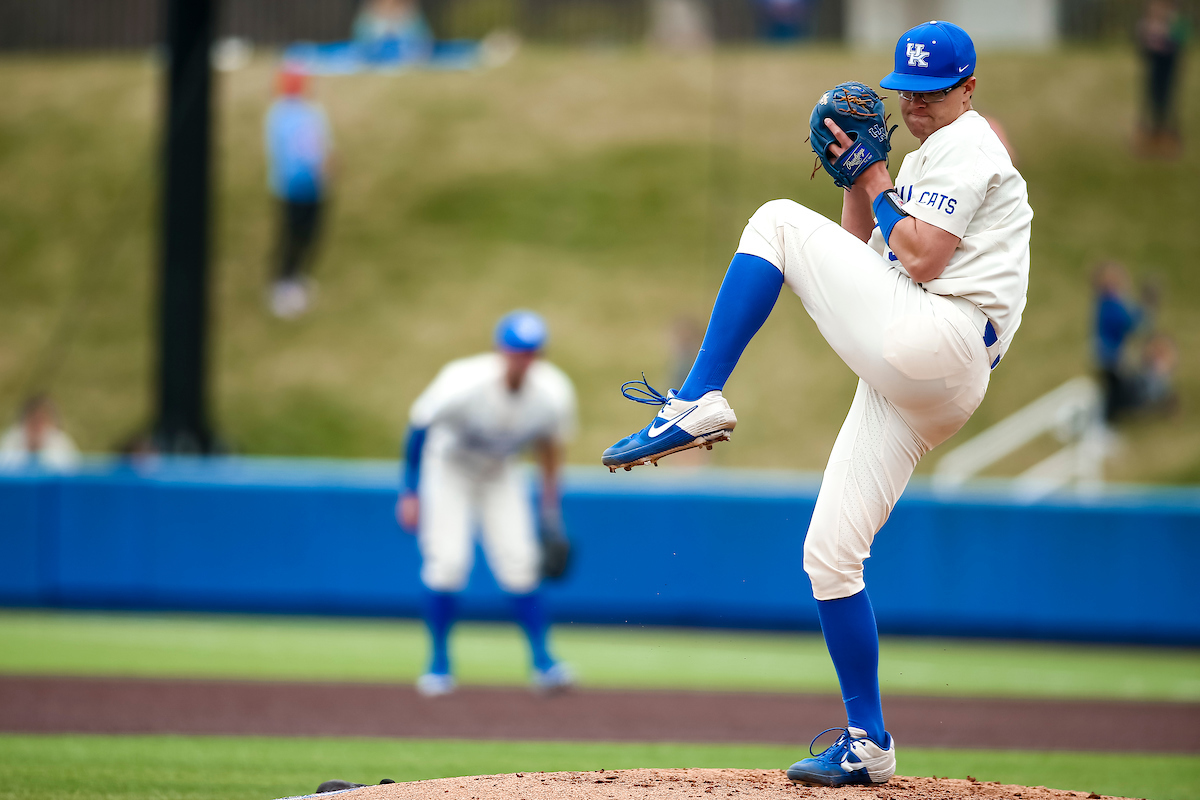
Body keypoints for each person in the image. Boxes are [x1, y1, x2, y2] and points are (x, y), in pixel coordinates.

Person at [602, 21, 1031, 787]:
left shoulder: (969, 146)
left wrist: (873, 178)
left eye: (935, 92)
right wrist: (855, 183)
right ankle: (868, 741)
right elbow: (866, 257)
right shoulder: (929, 155)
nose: (919, 105)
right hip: (924, 376)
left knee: (772, 220)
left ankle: (696, 398)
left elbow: (926, 257)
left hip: (946, 340)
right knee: (829, 556)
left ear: (968, 88)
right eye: (911, 92)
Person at [397, 310, 578, 697]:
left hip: (499, 470)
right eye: (517, 351)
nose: (523, 359)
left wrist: (550, 507)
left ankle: (543, 663)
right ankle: (438, 665)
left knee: (520, 562)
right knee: (447, 563)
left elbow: (550, 447)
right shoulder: (463, 381)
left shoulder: (553, 392)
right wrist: (410, 490)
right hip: (448, 466)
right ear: (501, 350)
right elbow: (418, 427)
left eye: (531, 352)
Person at [264, 67, 333, 319]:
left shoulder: (313, 112)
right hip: (291, 188)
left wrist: (328, 165)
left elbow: (323, 145)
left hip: (317, 187)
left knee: (310, 236)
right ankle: (282, 284)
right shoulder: (280, 113)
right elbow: (288, 151)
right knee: (290, 236)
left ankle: (298, 278)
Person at [1137, 0, 1189, 157]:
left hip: (1168, 69)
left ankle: (1169, 136)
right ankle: (1151, 134)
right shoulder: (1147, 25)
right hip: (1154, 68)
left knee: (1167, 100)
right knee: (1151, 99)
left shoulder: (1176, 24)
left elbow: (1180, 45)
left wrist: (1167, 38)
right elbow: (1143, 48)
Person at [0, 394, 81, 471]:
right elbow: (5, 467)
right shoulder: (12, 439)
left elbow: (73, 469)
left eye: (41, 420)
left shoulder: (60, 441)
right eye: (33, 420)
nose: (37, 425)